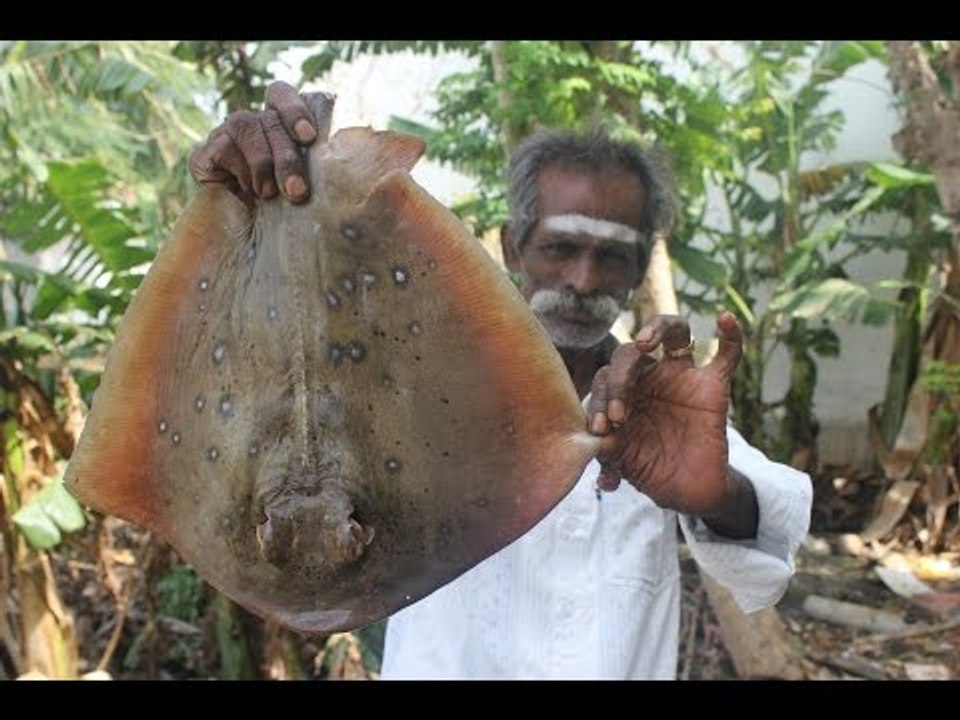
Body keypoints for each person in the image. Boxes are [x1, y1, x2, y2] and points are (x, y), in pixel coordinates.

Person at [189, 81, 813, 680]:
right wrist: (255, 200)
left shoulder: (658, 410)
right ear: (515, 249)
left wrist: (717, 496)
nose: (584, 280)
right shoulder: (407, 387)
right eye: (561, 248)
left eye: (613, 256)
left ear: (640, 266)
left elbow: (765, 529)